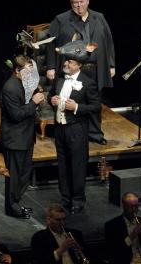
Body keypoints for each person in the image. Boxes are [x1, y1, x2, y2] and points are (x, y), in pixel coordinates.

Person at [46, 0, 115, 145]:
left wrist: (111, 64)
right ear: (71, 4)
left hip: (95, 69)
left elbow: (109, 42)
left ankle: (95, 134)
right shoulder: (61, 19)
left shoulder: (99, 18)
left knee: (94, 101)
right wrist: (50, 66)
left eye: (81, 2)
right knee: (73, 100)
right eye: (75, 3)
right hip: (73, 69)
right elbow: (50, 44)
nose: (79, 6)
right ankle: (72, 134)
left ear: (88, 1)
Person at [49, 41, 101, 214]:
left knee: (77, 166)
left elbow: (95, 106)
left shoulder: (87, 82)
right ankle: (65, 199)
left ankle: (78, 200)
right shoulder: (59, 78)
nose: (65, 63)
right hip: (60, 128)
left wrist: (77, 107)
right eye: (66, 61)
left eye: (69, 61)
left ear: (78, 65)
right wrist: (52, 101)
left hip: (76, 129)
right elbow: (51, 96)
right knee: (63, 165)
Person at [0, 55, 45, 219]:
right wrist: (33, 103)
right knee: (14, 177)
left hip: (25, 136)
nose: (31, 75)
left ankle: (16, 202)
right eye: (28, 72)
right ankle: (12, 207)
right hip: (15, 139)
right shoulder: (10, 88)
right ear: (17, 71)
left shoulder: (24, 83)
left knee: (24, 175)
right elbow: (16, 115)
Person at [104, 192, 141, 264]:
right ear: (124, 206)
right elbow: (114, 251)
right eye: (131, 206)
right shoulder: (112, 226)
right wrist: (133, 235)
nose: (134, 209)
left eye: (136, 206)